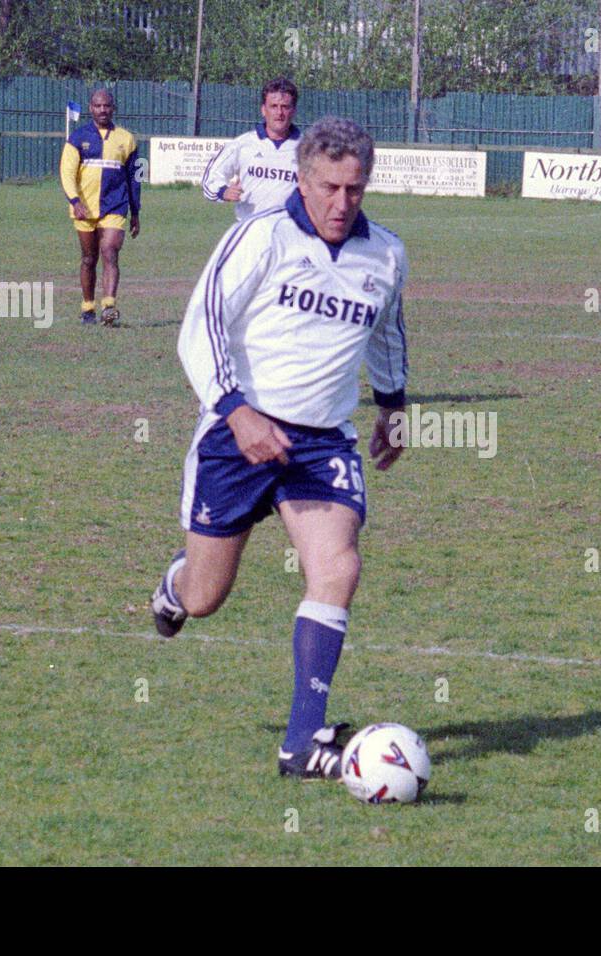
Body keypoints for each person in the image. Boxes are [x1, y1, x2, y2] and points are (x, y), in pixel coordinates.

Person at [151, 116, 409, 780]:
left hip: (323, 443)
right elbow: (197, 330)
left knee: (338, 569)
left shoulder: (384, 253)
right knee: (208, 596)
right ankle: (176, 585)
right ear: (302, 178)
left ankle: (302, 743)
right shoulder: (260, 237)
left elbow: (385, 330)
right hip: (238, 438)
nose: (341, 202)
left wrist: (392, 403)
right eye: (329, 187)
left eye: (355, 188)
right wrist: (237, 415)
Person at [59, 88, 141, 326]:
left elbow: (134, 179)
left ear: (113, 108)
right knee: (88, 258)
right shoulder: (77, 138)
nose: (102, 110)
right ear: (90, 108)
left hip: (115, 206)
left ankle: (108, 306)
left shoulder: (126, 139)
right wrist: (75, 201)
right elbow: (66, 173)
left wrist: (136, 212)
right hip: (84, 209)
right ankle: (87, 308)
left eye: (106, 106)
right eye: (98, 106)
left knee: (109, 251)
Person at [201, 77, 302, 221]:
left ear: (293, 111)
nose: (279, 113)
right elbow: (211, 178)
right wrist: (223, 191)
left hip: (289, 232)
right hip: (250, 231)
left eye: (285, 106)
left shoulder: (308, 149)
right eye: (273, 106)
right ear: (263, 110)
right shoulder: (243, 144)